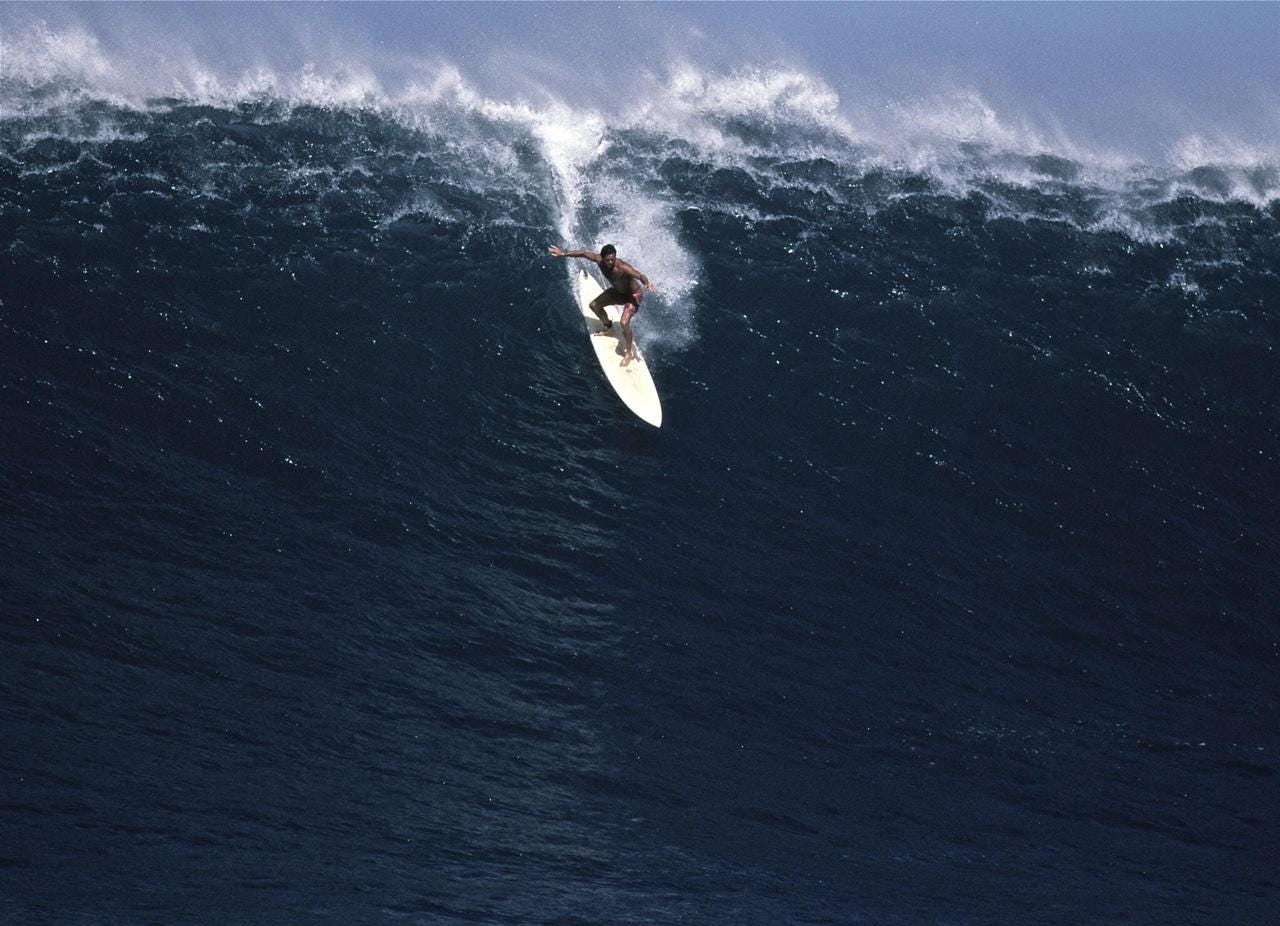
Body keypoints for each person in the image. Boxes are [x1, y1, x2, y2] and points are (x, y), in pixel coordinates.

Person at [548, 243, 655, 366]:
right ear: (602, 258)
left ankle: (629, 353)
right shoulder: (598, 260)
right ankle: (608, 326)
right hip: (618, 292)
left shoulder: (622, 267)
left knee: (624, 323)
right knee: (594, 305)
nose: (610, 262)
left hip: (633, 296)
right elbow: (583, 253)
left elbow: (639, 275)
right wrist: (563, 253)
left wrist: (646, 282)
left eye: (613, 259)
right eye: (608, 260)